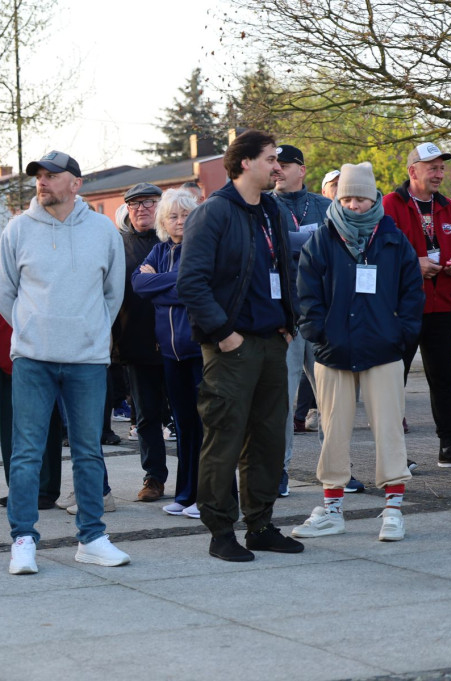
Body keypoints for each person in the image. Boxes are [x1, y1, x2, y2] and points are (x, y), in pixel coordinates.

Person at [0, 150, 130, 574]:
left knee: (89, 452)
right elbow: (4, 293)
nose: (43, 182)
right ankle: (23, 539)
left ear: (76, 183)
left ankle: (91, 536)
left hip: (86, 360)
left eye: (52, 176)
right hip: (34, 358)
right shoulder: (18, 229)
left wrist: (89, 331)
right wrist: (32, 329)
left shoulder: (103, 232)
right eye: (39, 176)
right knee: (26, 453)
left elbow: (114, 293)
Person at [176, 130, 305, 562]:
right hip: (231, 347)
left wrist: (288, 323)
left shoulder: (271, 210)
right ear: (245, 162)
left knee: (267, 440)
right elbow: (191, 283)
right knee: (224, 439)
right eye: (271, 159)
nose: (278, 166)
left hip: (272, 342)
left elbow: (283, 269)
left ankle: (261, 525)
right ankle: (220, 531)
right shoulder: (211, 214)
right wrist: (224, 333)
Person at [292, 162, 422, 542]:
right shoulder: (322, 239)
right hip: (333, 352)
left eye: (361, 198)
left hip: (383, 350)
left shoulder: (395, 240)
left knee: (389, 430)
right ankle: (331, 509)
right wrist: (317, 333)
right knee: (332, 431)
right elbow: (307, 292)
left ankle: (393, 510)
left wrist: (401, 336)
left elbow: (412, 295)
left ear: (374, 198)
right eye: (346, 197)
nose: (353, 205)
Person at [383, 142, 451, 469]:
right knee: (392, 379)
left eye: (442, 167)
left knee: (443, 377)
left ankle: (448, 445)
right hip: (402, 307)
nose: (439, 173)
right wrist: (411, 263)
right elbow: (379, 250)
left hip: (442, 305)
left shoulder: (450, 207)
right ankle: (391, 451)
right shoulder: (390, 204)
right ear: (412, 170)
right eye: (432, 167)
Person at [132, 188, 202, 519]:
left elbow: (193, 286)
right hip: (171, 354)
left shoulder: (201, 248)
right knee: (184, 424)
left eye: (185, 215)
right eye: (172, 216)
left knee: (204, 426)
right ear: (163, 221)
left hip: (200, 350)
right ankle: (185, 493)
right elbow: (138, 285)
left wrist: (159, 284)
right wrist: (168, 285)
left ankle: (205, 494)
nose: (179, 222)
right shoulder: (159, 250)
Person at [0, 256, 62, 509]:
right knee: (9, 427)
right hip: (5, 356)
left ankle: (46, 488)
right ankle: (19, 487)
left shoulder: (47, 261)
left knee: (47, 425)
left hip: (43, 355)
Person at [271, 144, 331, 496]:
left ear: (302, 170)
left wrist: (295, 243)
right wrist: (306, 240)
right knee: (282, 398)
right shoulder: (264, 207)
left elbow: (334, 249)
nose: (276, 168)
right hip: (285, 319)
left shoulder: (325, 206)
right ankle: (279, 469)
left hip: (322, 314)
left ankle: (336, 466)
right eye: (273, 163)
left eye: (284, 163)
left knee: (331, 398)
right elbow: (272, 251)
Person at [116, 182, 169, 502]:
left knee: (188, 412)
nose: (142, 209)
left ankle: (196, 475)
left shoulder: (174, 240)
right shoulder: (118, 245)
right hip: (134, 343)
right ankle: (154, 477)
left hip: (178, 344)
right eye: (135, 204)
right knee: (146, 415)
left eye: (149, 203)